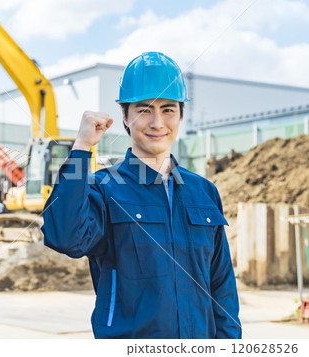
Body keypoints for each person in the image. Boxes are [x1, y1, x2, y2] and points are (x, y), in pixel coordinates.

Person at [41, 52, 241, 339]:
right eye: (145, 110)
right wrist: (82, 148)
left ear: (181, 115)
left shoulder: (204, 191)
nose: (158, 123)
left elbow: (221, 285)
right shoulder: (104, 187)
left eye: (168, 109)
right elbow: (64, 238)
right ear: (125, 116)